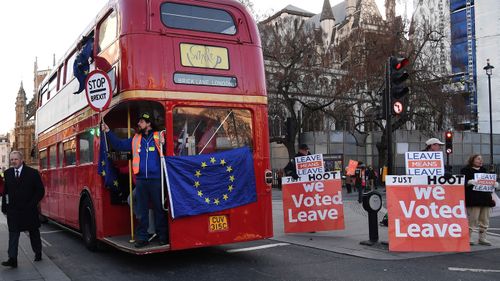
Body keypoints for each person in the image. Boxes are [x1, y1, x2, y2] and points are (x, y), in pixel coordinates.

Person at [102, 112, 168, 248]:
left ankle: (163, 236)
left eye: (141, 122)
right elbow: (119, 145)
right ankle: (142, 238)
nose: (139, 124)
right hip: (141, 180)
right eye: (139, 122)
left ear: (148, 124)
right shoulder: (135, 139)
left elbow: (169, 151)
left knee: (159, 209)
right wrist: (108, 132)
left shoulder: (158, 137)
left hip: (156, 179)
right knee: (142, 210)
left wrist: (164, 143)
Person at [1, 151, 45, 268]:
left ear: (21, 160)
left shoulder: (33, 173)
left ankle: (38, 252)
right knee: (13, 234)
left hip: (29, 210)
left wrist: (32, 204)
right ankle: (12, 259)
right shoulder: (8, 173)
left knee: (34, 232)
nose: (13, 161)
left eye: (15, 159)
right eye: (11, 159)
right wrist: (5, 206)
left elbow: (40, 191)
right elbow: (6, 192)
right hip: (13, 211)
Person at [460, 154, 498, 246]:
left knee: (484, 220)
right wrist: (469, 182)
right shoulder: (465, 170)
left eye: (481, 159)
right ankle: (467, 238)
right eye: (478, 159)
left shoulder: (483, 170)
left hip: (485, 198)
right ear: (472, 160)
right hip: (473, 199)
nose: (481, 161)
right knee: (473, 219)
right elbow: (462, 182)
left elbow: (487, 185)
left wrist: (493, 184)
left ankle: (482, 238)